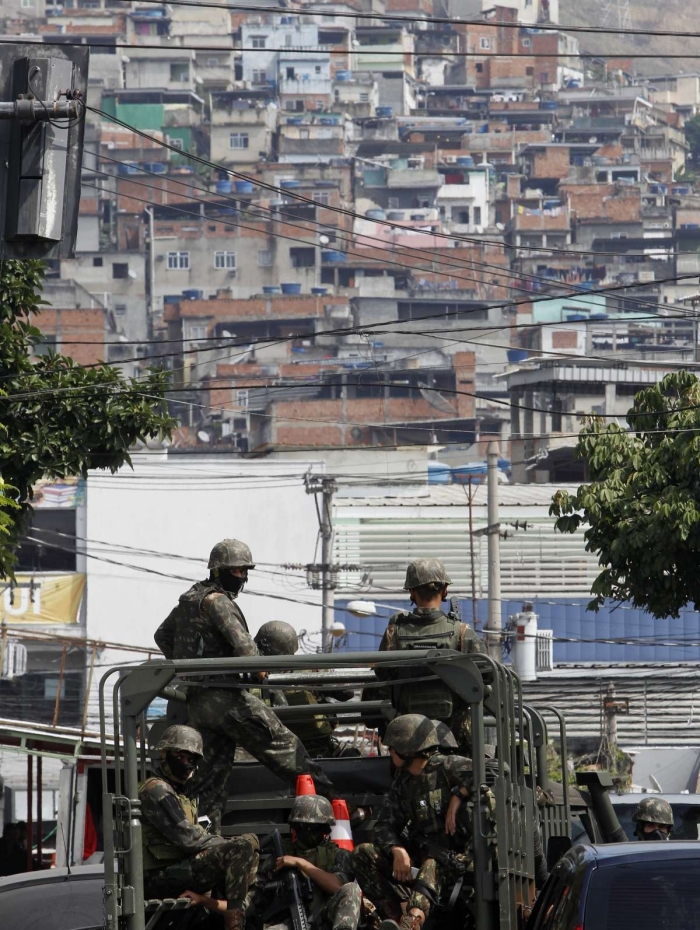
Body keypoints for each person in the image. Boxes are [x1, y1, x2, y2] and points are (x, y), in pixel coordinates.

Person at [154, 539, 335, 827]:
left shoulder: (190, 599)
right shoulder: (218, 602)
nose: (243, 577)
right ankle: (336, 799)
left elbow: (162, 636)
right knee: (287, 747)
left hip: (198, 703)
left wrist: (189, 670)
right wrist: (260, 673)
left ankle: (205, 838)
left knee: (210, 781)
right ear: (219, 571)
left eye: (244, 571)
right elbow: (248, 652)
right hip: (227, 698)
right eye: (238, 571)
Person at [353, 715, 494, 930]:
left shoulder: (448, 766)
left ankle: (413, 922)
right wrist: (397, 849)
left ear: (407, 750)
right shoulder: (403, 782)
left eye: (393, 748)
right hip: (423, 856)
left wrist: (459, 794)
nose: (390, 752)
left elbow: (497, 771)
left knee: (432, 863)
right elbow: (384, 825)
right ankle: (397, 920)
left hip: (460, 860)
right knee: (363, 854)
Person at [139, 725, 259, 930]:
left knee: (248, 847)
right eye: (181, 756)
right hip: (158, 877)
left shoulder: (180, 794)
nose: (186, 763)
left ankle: (241, 911)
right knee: (240, 848)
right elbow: (188, 839)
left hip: (177, 869)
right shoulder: (156, 789)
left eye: (192, 759)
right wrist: (228, 845)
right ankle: (234, 925)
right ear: (165, 754)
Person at [374, 559, 483, 752]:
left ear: (412, 592)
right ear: (444, 591)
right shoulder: (462, 632)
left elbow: (383, 674)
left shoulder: (395, 631)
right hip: (454, 735)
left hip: (408, 737)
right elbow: (485, 675)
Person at [250, 795, 362, 930]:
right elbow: (257, 893)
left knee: (351, 889)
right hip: (289, 922)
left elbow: (337, 886)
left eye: (313, 827)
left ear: (325, 829)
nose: (307, 832)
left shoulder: (338, 855)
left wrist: (301, 863)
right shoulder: (282, 854)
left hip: (325, 920)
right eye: (302, 826)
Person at [254, 621, 359, 759]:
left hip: (274, 749)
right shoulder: (308, 669)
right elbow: (347, 692)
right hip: (307, 748)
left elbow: (346, 692)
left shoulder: (252, 672)